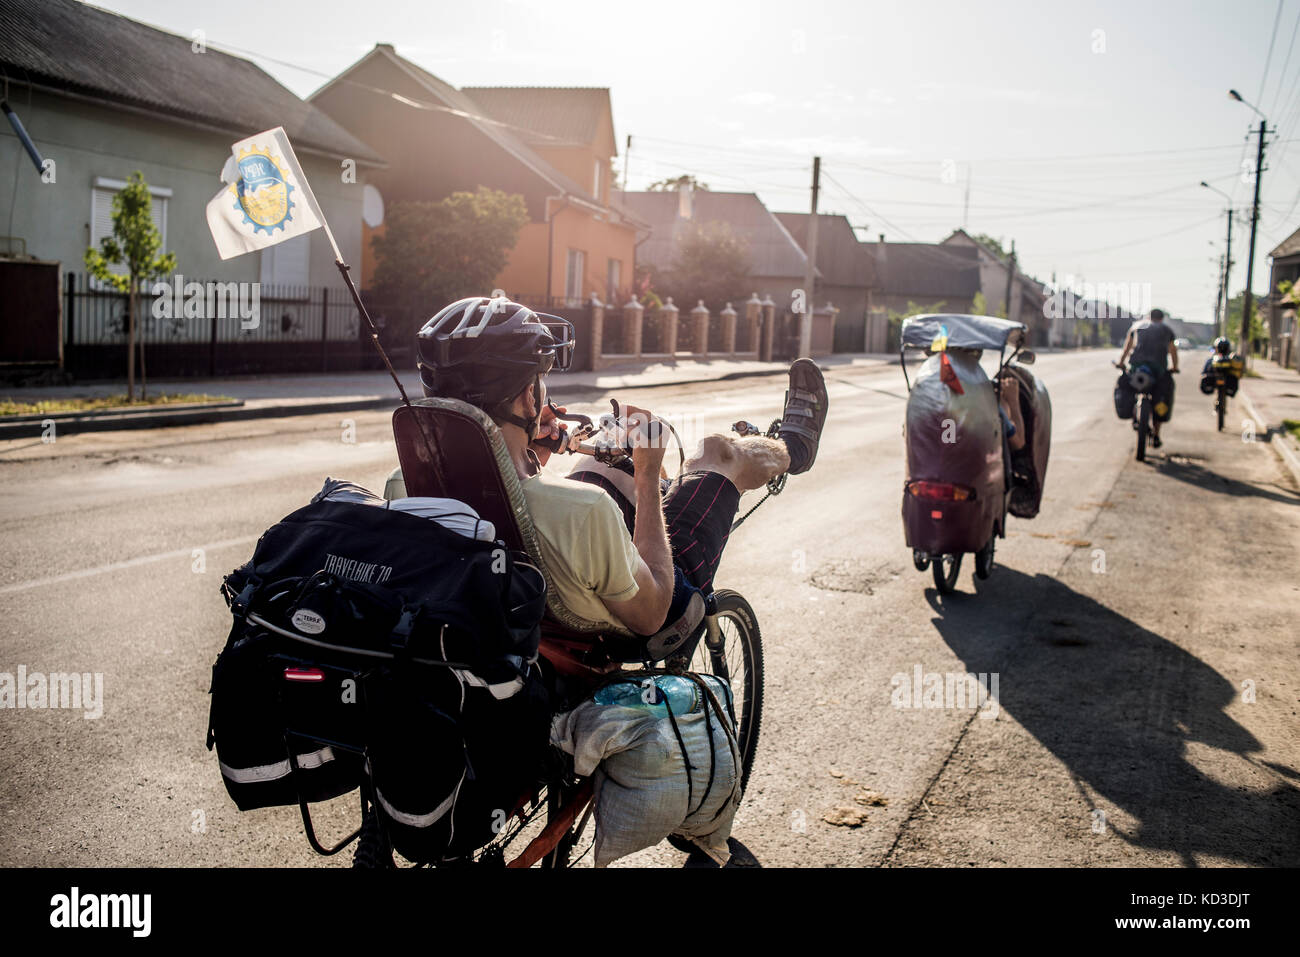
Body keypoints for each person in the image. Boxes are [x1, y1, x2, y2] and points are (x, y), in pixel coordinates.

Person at [404, 296, 828, 640]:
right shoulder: (585, 512)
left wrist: (524, 453)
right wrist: (647, 473)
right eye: (540, 379)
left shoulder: (410, 485)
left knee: (597, 459)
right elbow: (652, 613)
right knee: (719, 453)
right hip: (636, 616)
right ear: (528, 400)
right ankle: (793, 447)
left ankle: (656, 501)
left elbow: (513, 519)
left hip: (524, 616)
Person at [1117, 307, 1179, 448]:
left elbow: (1127, 347)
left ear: (1148, 317)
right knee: (1161, 397)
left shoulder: (1137, 326)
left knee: (1131, 388)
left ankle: (1134, 415)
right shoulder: (1167, 330)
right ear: (1162, 319)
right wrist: (1174, 367)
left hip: (1137, 366)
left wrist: (1121, 363)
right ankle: (1156, 434)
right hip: (1158, 368)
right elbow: (1173, 351)